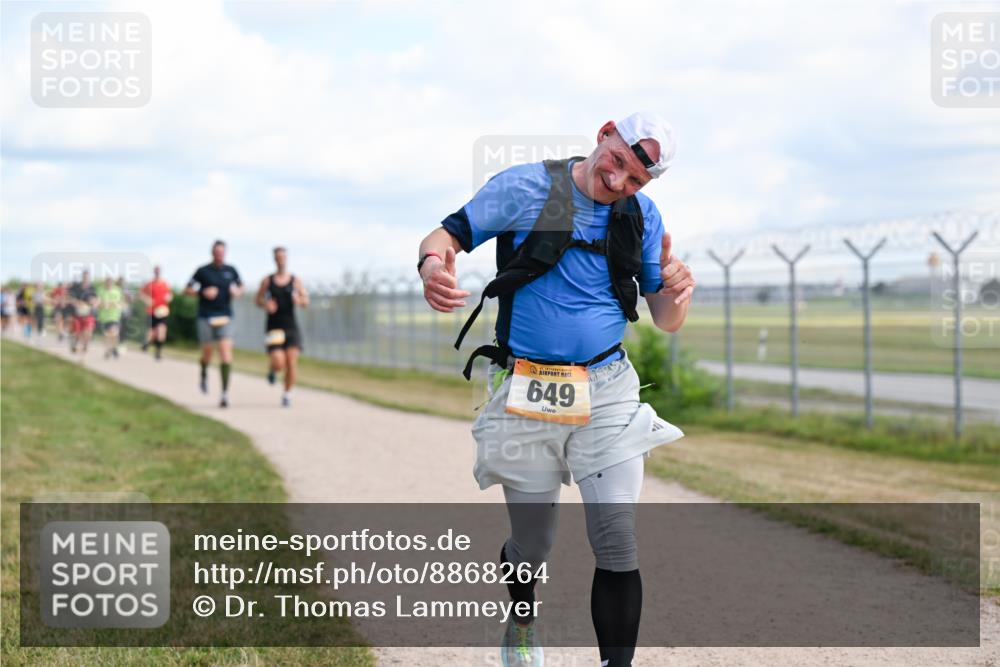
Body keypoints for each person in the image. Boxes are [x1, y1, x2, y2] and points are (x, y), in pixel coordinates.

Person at [417, 113, 695, 667]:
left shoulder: (639, 214)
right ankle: (522, 619)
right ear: (604, 133)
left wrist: (678, 291)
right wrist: (431, 263)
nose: (618, 182)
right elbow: (446, 234)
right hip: (527, 386)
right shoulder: (531, 188)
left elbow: (663, 317)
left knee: (616, 536)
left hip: (608, 386)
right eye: (617, 162)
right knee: (534, 544)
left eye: (636, 180)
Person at [185, 240, 244, 408]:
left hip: (225, 317)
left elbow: (241, 286)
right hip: (206, 317)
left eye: (222, 252)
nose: (219, 255)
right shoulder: (202, 271)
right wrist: (202, 292)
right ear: (212, 253)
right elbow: (187, 289)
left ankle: (224, 393)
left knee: (226, 353)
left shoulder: (231, 270)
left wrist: (237, 291)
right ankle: (204, 372)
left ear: (225, 253)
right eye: (217, 252)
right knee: (207, 354)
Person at [254, 246, 308, 407]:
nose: (281, 260)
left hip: (291, 326)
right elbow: (257, 300)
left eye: (283, 257)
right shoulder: (267, 281)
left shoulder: (295, 280)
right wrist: (265, 304)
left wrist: (300, 301)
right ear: (274, 259)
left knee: (291, 362)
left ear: (287, 258)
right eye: (278, 257)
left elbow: (306, 300)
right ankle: (273, 370)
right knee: (279, 362)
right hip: (274, 327)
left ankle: (287, 394)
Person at [140, 266, 173, 360]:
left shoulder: (165, 284)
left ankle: (158, 353)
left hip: (162, 311)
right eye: (156, 271)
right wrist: (147, 300)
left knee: (161, 331)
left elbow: (170, 295)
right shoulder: (149, 284)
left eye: (159, 271)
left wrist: (169, 297)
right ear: (154, 272)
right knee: (152, 331)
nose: (157, 273)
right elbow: (141, 294)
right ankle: (146, 343)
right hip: (151, 311)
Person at [68, 271, 98, 357]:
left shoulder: (92, 288)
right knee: (77, 333)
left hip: (89, 314)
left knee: (88, 331)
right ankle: (74, 343)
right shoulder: (76, 287)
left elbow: (95, 299)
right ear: (82, 277)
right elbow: (71, 298)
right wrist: (78, 302)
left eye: (87, 277)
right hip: (77, 314)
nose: (86, 279)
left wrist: (93, 303)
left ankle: (85, 346)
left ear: (89, 278)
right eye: (84, 277)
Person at [95, 277, 125, 359]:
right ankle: (109, 349)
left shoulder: (117, 291)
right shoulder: (100, 290)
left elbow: (120, 302)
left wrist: (113, 304)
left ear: (112, 283)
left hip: (114, 316)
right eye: (107, 283)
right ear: (105, 283)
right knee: (107, 335)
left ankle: (113, 348)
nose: (108, 284)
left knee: (114, 333)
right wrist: (101, 305)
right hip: (104, 317)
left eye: (110, 283)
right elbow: (98, 303)